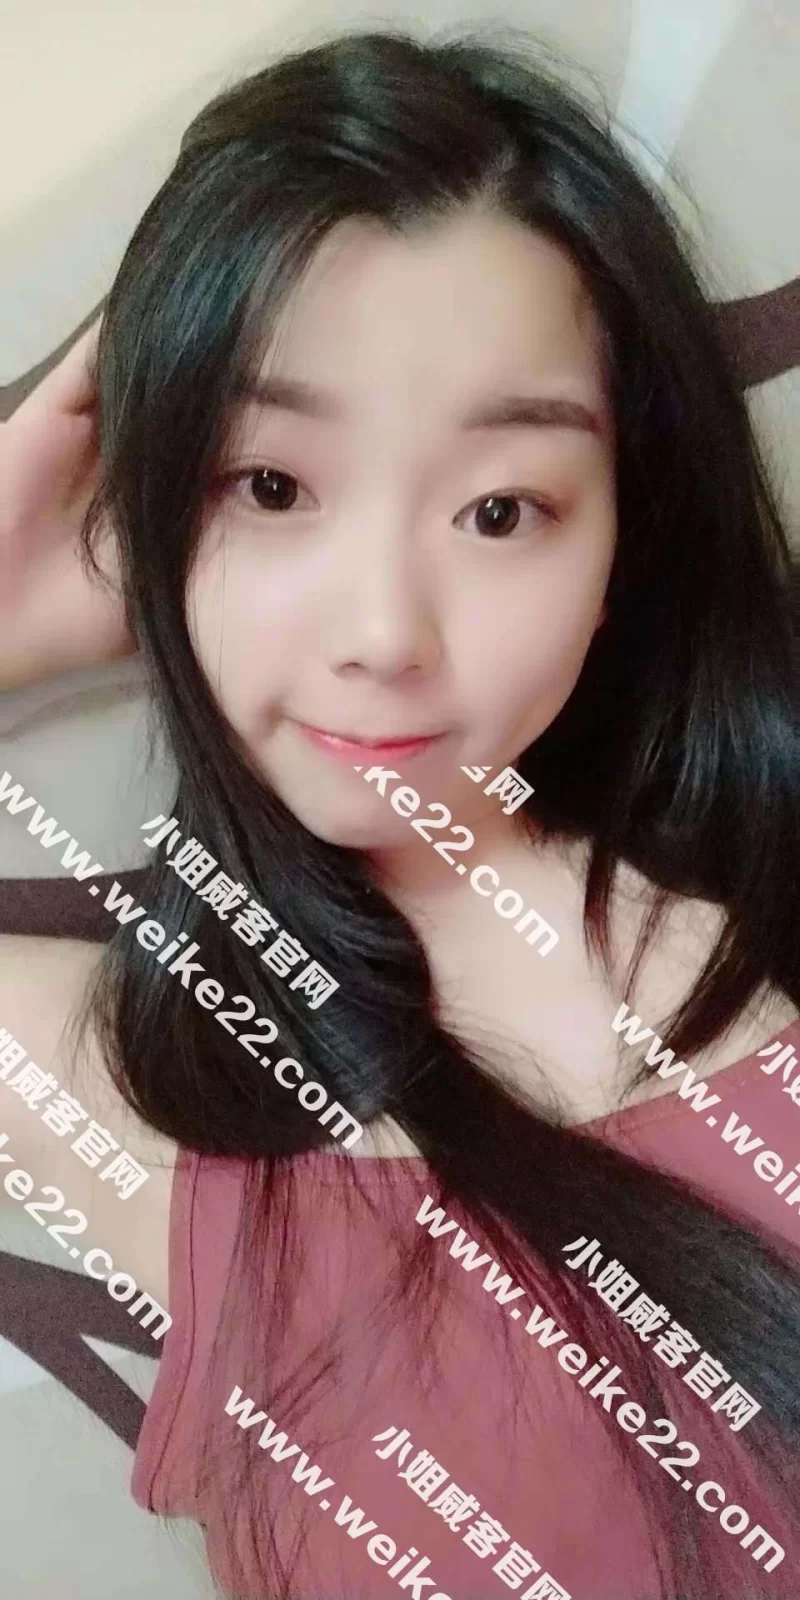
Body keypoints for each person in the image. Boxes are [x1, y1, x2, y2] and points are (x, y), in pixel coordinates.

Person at [1, 23, 798, 1600]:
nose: (383, 630)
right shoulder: (139, 1084)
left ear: (623, 540)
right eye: (270, 487)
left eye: (501, 510)